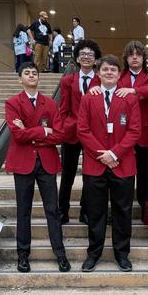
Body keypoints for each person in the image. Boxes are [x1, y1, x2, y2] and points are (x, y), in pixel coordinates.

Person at [5, 62, 71, 273]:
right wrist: (44, 132)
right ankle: (23, 255)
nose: (31, 75)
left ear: (38, 78)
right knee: (23, 210)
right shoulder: (13, 103)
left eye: (34, 72)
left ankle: (60, 254)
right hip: (23, 162)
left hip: (46, 162)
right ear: (20, 79)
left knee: (53, 209)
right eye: (27, 73)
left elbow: (60, 135)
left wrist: (31, 132)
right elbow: (18, 135)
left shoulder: (51, 104)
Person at [77, 54, 141, 272]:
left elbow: (134, 131)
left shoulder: (129, 99)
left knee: (122, 211)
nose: (109, 73)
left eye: (113, 70)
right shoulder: (88, 98)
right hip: (95, 165)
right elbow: (82, 130)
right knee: (95, 212)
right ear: (98, 73)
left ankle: (122, 254)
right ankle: (93, 253)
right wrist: (101, 155)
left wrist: (114, 154)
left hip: (122, 165)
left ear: (118, 74)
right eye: (105, 69)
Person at [59, 39, 102, 225]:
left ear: (95, 59)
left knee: (90, 175)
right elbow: (63, 108)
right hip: (72, 133)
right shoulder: (68, 80)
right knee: (67, 174)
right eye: (82, 54)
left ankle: (86, 211)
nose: (86, 57)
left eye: (90, 54)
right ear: (77, 57)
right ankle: (62, 211)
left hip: (93, 135)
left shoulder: (101, 80)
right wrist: (63, 127)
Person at [116, 41, 148, 213]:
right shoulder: (119, 77)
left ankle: (146, 208)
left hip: (145, 134)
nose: (134, 57)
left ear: (144, 58)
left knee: (145, 176)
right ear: (126, 58)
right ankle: (120, 210)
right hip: (122, 133)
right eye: (131, 54)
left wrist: (132, 91)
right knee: (122, 175)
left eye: (138, 54)